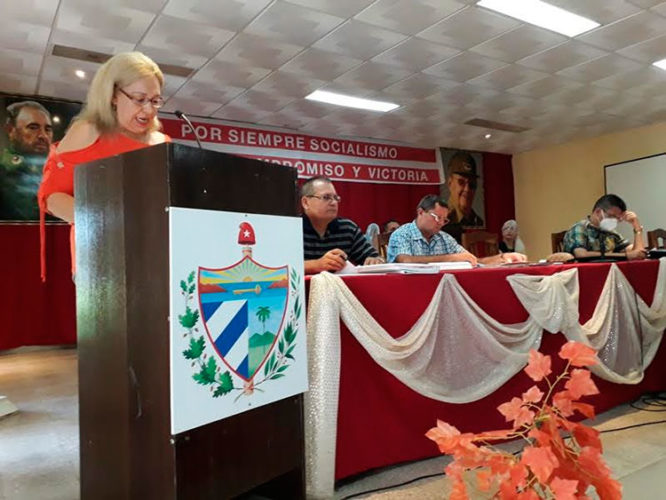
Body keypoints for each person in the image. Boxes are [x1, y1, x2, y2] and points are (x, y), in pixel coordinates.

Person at [37, 51, 171, 280]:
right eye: (139, 99)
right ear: (113, 95)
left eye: (155, 100)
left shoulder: (163, 143)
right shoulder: (88, 132)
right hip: (101, 263)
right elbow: (51, 198)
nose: (149, 110)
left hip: (156, 258)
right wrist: (107, 221)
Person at [387, 194, 526, 265]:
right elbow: (406, 261)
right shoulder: (402, 234)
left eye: (444, 220)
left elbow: (473, 261)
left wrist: (501, 258)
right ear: (420, 212)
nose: (441, 223)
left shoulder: (444, 238)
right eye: (437, 217)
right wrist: (452, 258)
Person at [301, 176, 384, 274]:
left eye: (336, 198)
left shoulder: (348, 228)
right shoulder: (290, 228)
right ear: (305, 202)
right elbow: (280, 267)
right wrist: (317, 265)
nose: (334, 203)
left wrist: (375, 261)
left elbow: (375, 257)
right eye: (326, 197)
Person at [0, 101, 54, 220]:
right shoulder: (3, 170)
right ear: (11, 131)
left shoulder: (57, 170)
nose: (43, 135)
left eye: (48, 129)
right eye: (33, 128)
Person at [562, 194, 647, 260]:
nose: (615, 221)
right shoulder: (580, 228)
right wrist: (625, 256)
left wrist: (637, 228)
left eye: (618, 218)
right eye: (612, 216)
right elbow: (581, 255)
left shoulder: (611, 233)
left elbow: (638, 253)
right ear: (598, 212)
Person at [445, 151, 484, 227]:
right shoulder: (441, 221)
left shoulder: (478, 222)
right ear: (450, 183)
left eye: (472, 184)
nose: (467, 189)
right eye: (461, 182)